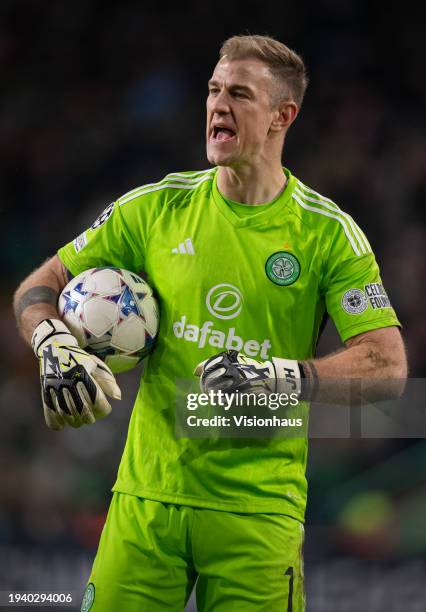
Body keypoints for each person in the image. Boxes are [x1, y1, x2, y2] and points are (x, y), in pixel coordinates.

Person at [14, 34, 406, 612]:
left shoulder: (328, 234)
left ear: (282, 116)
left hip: (258, 514)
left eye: (240, 94)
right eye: (213, 90)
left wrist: (282, 376)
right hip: (145, 504)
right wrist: (49, 340)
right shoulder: (153, 208)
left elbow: (388, 365)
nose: (218, 105)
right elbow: (38, 285)